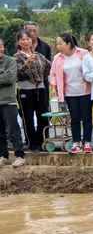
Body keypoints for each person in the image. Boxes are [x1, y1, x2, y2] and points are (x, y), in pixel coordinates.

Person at [50, 34, 91, 153]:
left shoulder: (82, 53)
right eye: (57, 44)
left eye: (60, 44)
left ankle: (87, 142)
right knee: (75, 118)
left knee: (86, 117)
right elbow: (53, 74)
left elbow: (92, 66)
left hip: (85, 91)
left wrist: (87, 75)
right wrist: (53, 88)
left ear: (68, 44)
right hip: (69, 92)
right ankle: (76, 143)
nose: (58, 47)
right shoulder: (58, 58)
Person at [14, 30, 51, 152]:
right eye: (23, 39)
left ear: (32, 40)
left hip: (40, 88)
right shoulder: (16, 57)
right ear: (18, 42)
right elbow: (18, 74)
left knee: (43, 116)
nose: (26, 41)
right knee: (28, 117)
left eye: (28, 39)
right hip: (25, 89)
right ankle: (32, 143)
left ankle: (42, 140)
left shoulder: (39, 55)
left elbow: (49, 68)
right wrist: (27, 62)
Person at [0, 39, 25, 167]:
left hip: (8, 101)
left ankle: (19, 155)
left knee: (13, 129)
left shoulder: (10, 61)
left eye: (1, 46)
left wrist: (5, 76)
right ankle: (3, 156)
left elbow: (10, 78)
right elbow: (4, 78)